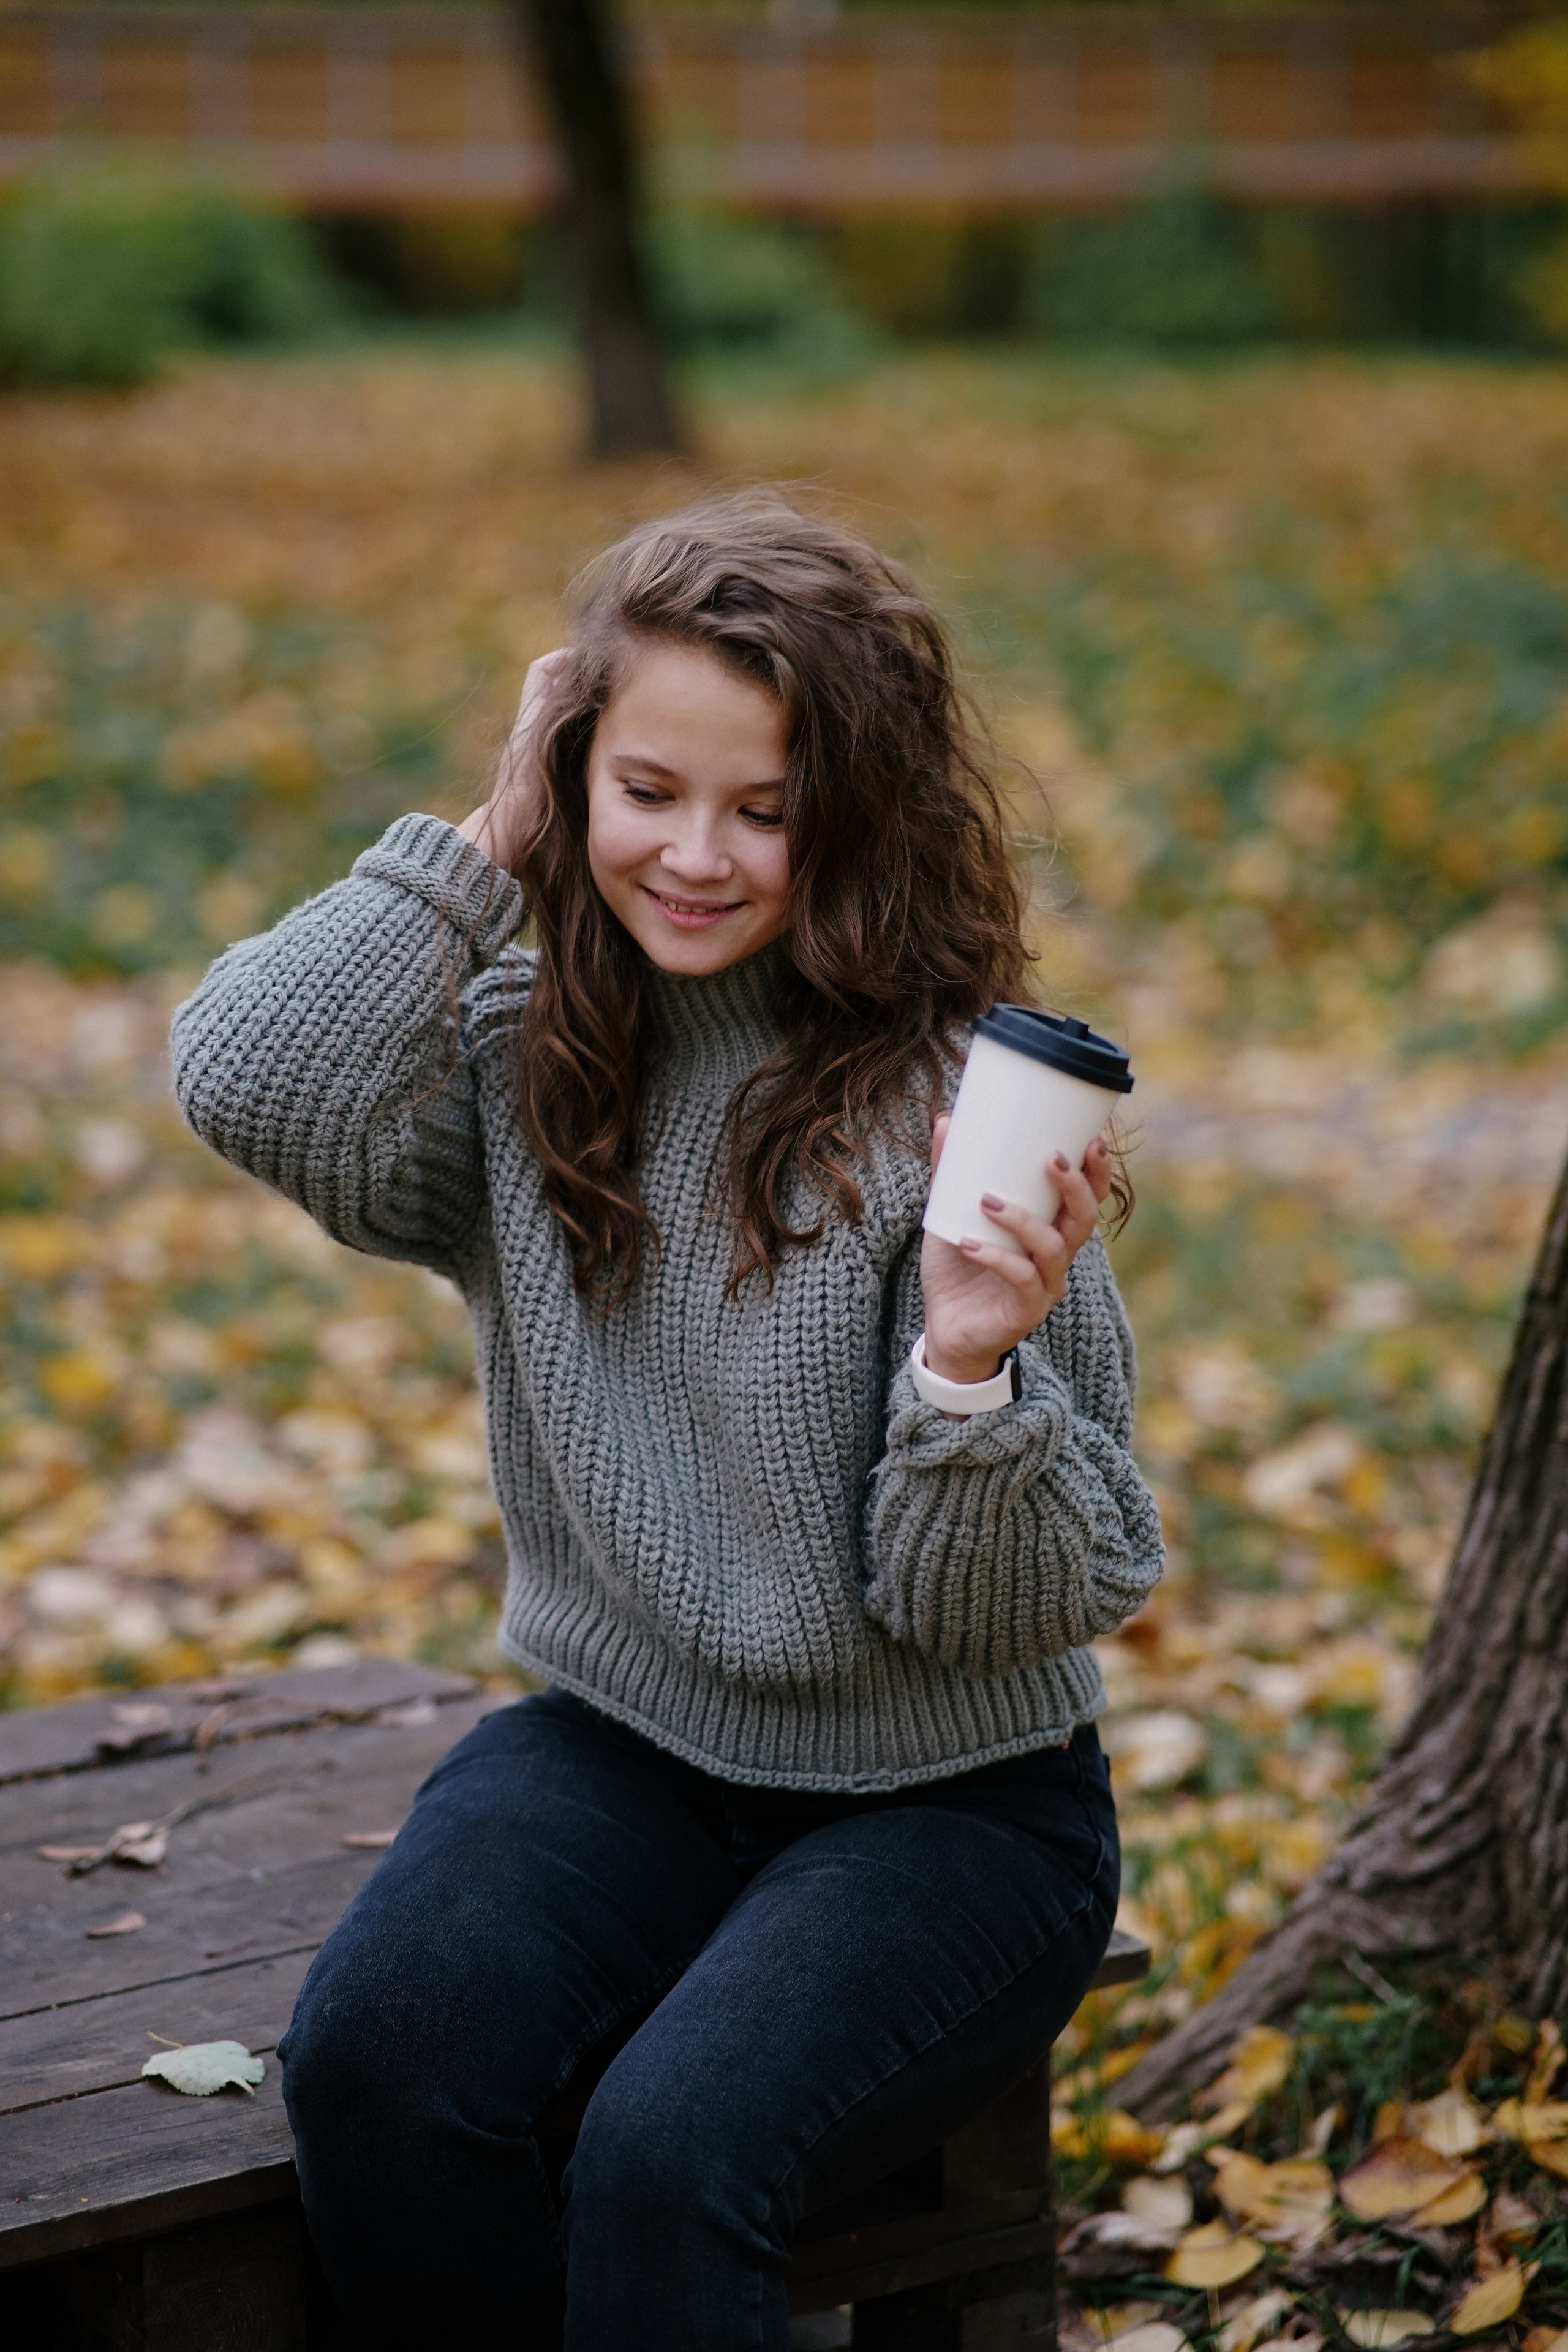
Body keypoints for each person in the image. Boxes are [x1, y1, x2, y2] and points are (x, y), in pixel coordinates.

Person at [170, 493, 1164, 2350]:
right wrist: (494, 833)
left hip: (953, 1808)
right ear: (574, 772)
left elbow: (1020, 1607)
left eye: (766, 811)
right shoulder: (520, 1033)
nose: (697, 855)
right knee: (375, 2068)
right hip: (623, 1745)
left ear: (849, 821)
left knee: (665, 2156)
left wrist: (966, 1366)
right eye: (647, 787)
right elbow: (249, 1080)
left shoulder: (956, 1112)